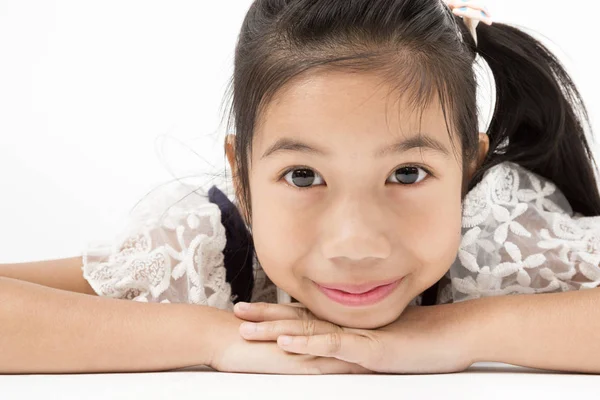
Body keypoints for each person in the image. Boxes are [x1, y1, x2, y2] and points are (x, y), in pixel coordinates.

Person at [2, 0, 600, 375]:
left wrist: (460, 333)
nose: (355, 242)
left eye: (408, 174)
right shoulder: (208, 254)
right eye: (303, 176)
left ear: (467, 171)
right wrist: (215, 338)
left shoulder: (501, 243)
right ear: (242, 177)